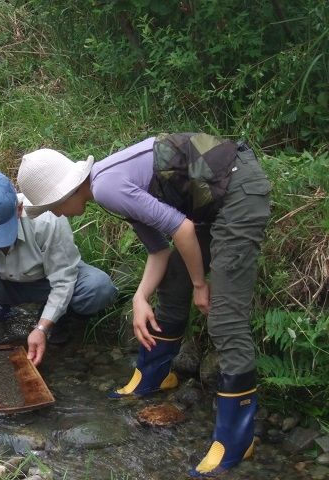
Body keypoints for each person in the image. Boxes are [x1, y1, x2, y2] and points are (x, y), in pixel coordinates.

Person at [16, 133, 271, 477]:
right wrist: (140, 297)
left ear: (65, 192)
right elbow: (160, 250)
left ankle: (236, 441)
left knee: (226, 320)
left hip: (239, 190)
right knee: (173, 281)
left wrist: (201, 285)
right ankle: (155, 375)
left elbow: (181, 229)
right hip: (213, 198)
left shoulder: (107, 188)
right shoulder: (104, 188)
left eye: (52, 207)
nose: (57, 215)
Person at [0, 171, 117, 371]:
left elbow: (63, 280)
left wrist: (42, 327)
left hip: (44, 283)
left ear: (19, 209)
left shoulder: (47, 218)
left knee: (98, 287)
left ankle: (57, 326)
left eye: (3, 234)